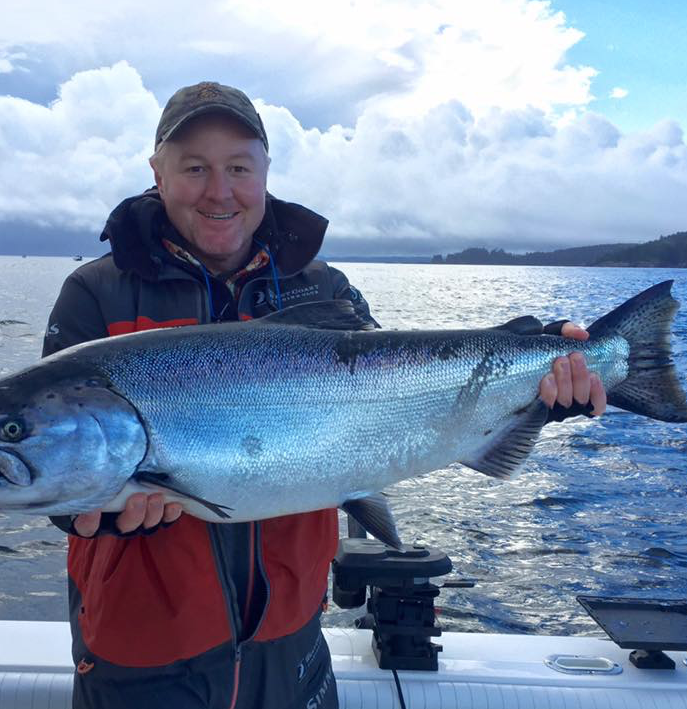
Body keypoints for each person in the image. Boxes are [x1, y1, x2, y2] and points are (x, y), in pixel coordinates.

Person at [42, 81, 606, 709]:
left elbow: (396, 404)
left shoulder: (323, 288)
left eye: (238, 167)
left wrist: (536, 394)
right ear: (157, 171)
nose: (219, 190)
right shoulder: (96, 294)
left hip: (290, 635)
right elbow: (58, 471)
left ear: (265, 172)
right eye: (194, 167)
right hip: (138, 643)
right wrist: (102, 515)